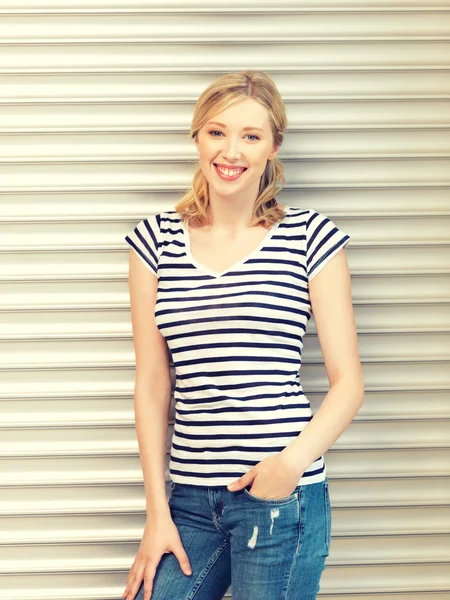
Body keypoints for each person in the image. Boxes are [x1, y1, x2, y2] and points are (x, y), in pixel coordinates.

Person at [122, 70, 364, 600]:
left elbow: (349, 384)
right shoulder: (154, 242)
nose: (231, 151)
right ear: (197, 137)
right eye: (217, 131)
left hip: (281, 495)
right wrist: (156, 512)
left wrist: (289, 466)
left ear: (273, 146)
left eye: (251, 136)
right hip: (188, 500)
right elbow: (152, 385)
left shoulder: (310, 237)